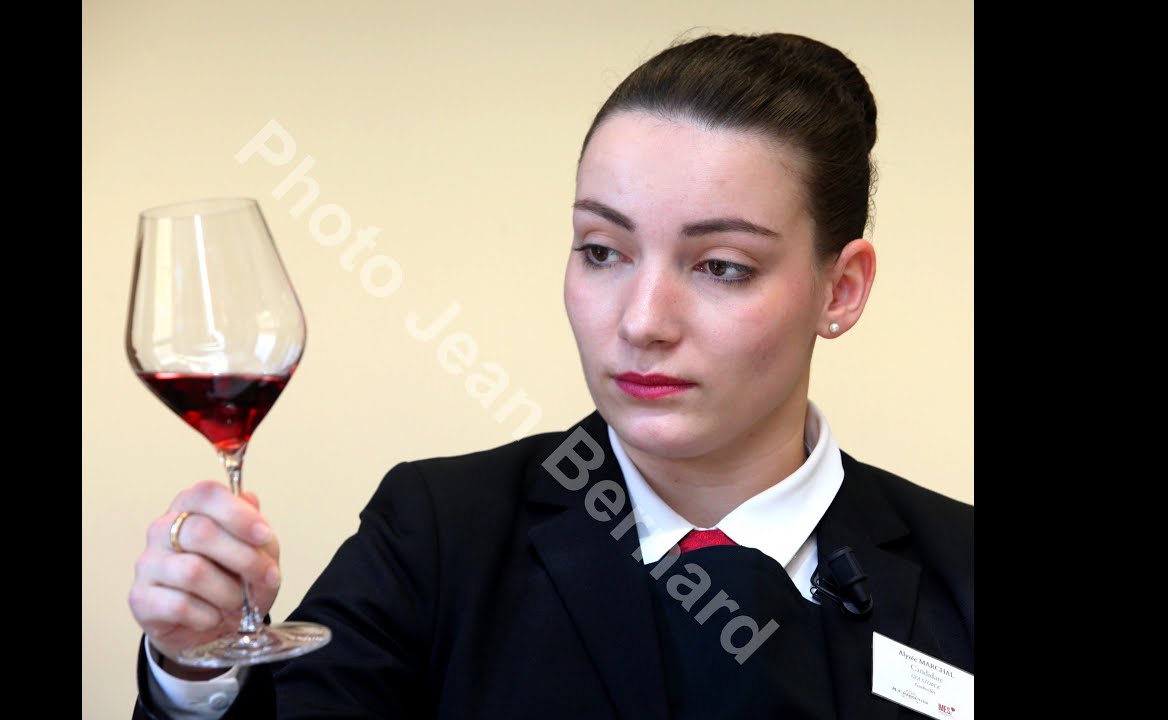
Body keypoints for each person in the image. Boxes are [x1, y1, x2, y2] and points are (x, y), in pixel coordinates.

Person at [129, 31, 973, 720]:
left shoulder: (961, 568)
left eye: (720, 266)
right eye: (603, 252)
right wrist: (192, 671)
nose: (643, 321)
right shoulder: (437, 536)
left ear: (842, 287)